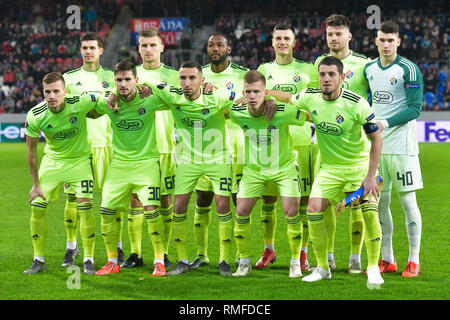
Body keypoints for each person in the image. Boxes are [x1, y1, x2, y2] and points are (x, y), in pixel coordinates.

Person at [268, 56, 384, 285]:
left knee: (370, 211)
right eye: (322, 74)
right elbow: (289, 97)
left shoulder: (356, 102)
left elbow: (376, 139)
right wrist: (264, 92)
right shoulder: (310, 97)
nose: (326, 78)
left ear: (342, 77)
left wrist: (370, 176)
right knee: (313, 209)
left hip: (358, 167)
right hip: (330, 169)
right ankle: (322, 267)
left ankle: (372, 267)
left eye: (332, 74)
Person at [230, 70, 310, 277]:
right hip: (254, 170)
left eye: (257, 91)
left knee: (291, 212)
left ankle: (294, 262)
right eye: (248, 92)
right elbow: (217, 110)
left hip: (284, 168)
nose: (252, 96)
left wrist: (275, 98)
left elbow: (309, 115)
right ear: (243, 93)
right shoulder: (237, 111)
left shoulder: (282, 111)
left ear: (265, 92)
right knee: (241, 212)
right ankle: (244, 262)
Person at [92, 61, 168, 276]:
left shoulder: (150, 99)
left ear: (136, 80)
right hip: (119, 166)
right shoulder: (108, 102)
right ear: (114, 81)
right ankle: (112, 261)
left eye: (127, 79)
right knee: (106, 211)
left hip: (147, 164)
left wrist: (148, 84)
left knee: (152, 211)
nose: (123, 84)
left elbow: (176, 95)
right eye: (119, 80)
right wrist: (111, 93)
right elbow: (88, 109)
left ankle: (159, 261)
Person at [256, 23, 318, 271]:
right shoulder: (263, 69)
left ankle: (302, 253)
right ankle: (269, 248)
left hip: (301, 141)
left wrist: (273, 94)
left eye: (287, 38)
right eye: (278, 38)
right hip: (270, 143)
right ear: (272, 42)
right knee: (268, 199)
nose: (282, 42)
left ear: (294, 42)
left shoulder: (307, 70)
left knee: (301, 203)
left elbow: (312, 103)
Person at [24, 72, 100, 275]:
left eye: (56, 91)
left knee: (85, 207)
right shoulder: (35, 115)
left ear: (65, 92)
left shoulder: (80, 102)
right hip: (53, 162)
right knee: (37, 205)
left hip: (80, 161)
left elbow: (103, 95)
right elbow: (31, 154)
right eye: (47, 92)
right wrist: (35, 184)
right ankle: (38, 260)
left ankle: (88, 259)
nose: (51, 96)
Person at [364, 20, 424, 277]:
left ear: (398, 41)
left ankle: (414, 259)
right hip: (377, 148)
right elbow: (369, 101)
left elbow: (415, 108)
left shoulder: (409, 69)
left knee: (408, 201)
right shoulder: (369, 69)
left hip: (403, 147)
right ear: (376, 41)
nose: (386, 44)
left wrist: (383, 123)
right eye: (382, 39)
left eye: (391, 40)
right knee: (381, 201)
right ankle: (387, 258)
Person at [314, 14, 371, 273]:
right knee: (325, 204)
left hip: (355, 146)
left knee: (357, 203)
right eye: (329, 34)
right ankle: (329, 254)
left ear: (349, 36)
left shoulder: (364, 64)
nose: (333, 38)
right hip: (326, 145)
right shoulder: (319, 63)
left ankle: (355, 257)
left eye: (338, 34)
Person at [189, 32, 249, 270]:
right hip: (205, 146)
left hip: (237, 145)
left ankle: (238, 255)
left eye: (220, 45)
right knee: (203, 199)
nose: (215, 48)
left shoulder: (243, 75)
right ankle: (201, 254)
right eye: (211, 45)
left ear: (229, 49)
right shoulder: (197, 75)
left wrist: (214, 98)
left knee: (237, 201)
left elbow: (242, 107)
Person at [120, 27, 178, 269]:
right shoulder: (132, 76)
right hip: (139, 149)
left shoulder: (175, 76)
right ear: (138, 48)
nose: (148, 49)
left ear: (162, 47)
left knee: (164, 202)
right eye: (143, 45)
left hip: (166, 147)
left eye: (152, 45)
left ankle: (162, 253)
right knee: (135, 201)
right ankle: (135, 254)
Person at [62, 32, 117, 267]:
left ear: (100, 50)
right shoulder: (68, 77)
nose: (88, 51)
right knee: (73, 198)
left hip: (108, 144)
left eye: (92, 47)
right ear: (80, 50)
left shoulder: (114, 77)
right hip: (79, 147)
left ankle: (117, 249)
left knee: (111, 199)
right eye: (84, 47)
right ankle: (71, 248)